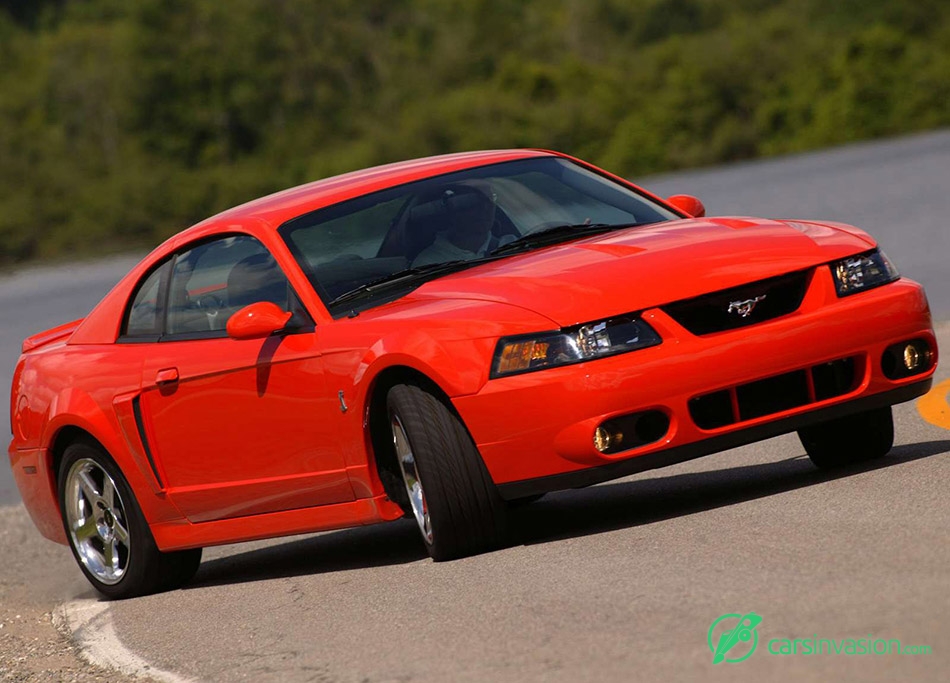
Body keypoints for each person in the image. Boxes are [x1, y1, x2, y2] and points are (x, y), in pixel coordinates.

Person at [412, 184, 499, 266]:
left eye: (489, 200)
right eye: (474, 203)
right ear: (454, 210)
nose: (485, 209)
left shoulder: (508, 244)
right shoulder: (428, 264)